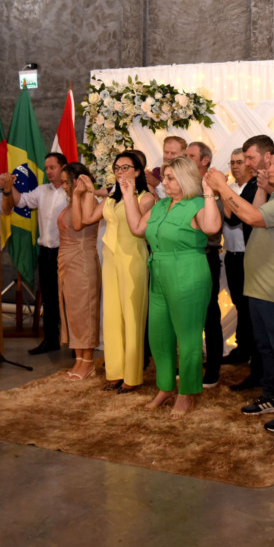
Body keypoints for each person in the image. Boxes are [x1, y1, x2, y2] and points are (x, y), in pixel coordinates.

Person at [210, 146, 274, 432]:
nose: (270, 170)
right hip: (260, 286)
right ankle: (273, 395)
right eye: (270, 165)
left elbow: (252, 218)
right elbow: (256, 216)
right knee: (265, 348)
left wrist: (222, 187)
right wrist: (264, 189)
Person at [123, 156, 221, 419]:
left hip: (188, 273)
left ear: (185, 179)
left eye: (169, 178)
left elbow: (212, 227)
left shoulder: (198, 203)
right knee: (159, 336)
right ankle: (165, 387)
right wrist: (128, 195)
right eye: (164, 177)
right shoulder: (162, 205)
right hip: (159, 272)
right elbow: (137, 228)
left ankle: (187, 392)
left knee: (188, 339)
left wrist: (209, 192)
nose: (163, 182)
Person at [76, 152, 155, 393]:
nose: (120, 172)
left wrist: (129, 194)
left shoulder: (147, 197)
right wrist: (86, 192)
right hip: (110, 261)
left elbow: (138, 227)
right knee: (111, 317)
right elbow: (88, 218)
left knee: (132, 318)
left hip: (133, 260)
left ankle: (132, 376)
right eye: (117, 168)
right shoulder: (111, 197)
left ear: (138, 171)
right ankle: (115, 373)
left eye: (125, 167)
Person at [0, 152, 69, 355]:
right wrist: (10, 187)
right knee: (49, 298)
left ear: (63, 168)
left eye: (52, 167)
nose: (48, 171)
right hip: (46, 253)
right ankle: (50, 340)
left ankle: (76, 344)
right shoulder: (42, 190)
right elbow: (20, 202)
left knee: (70, 299)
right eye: (46, 168)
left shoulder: (72, 192)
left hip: (66, 252)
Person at [220, 134, 274, 390]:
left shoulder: (268, 184)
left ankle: (265, 376)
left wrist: (222, 190)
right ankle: (258, 369)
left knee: (263, 321)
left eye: (248, 158)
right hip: (248, 258)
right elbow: (233, 220)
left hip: (266, 261)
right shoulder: (256, 185)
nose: (245, 164)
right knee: (249, 312)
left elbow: (251, 218)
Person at [185, 141, 226, 388]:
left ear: (205, 161)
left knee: (210, 314)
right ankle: (189, 363)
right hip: (184, 258)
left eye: (191, 155)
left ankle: (213, 369)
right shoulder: (183, 186)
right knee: (186, 314)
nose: (186, 158)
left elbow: (215, 227)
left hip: (205, 255)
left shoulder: (214, 186)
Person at [58, 162, 101, 380]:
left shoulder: (89, 199)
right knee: (73, 313)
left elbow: (77, 225)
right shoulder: (72, 201)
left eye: (67, 182)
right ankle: (78, 359)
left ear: (77, 181)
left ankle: (88, 361)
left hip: (82, 261)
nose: (63, 186)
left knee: (85, 311)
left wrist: (76, 196)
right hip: (67, 262)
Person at [219, 148, 257, 377]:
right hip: (231, 254)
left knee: (250, 305)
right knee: (240, 304)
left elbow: (234, 221)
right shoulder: (230, 188)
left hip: (249, 254)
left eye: (240, 162)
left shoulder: (254, 188)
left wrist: (222, 192)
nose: (235, 166)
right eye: (232, 162)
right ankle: (243, 348)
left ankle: (251, 350)